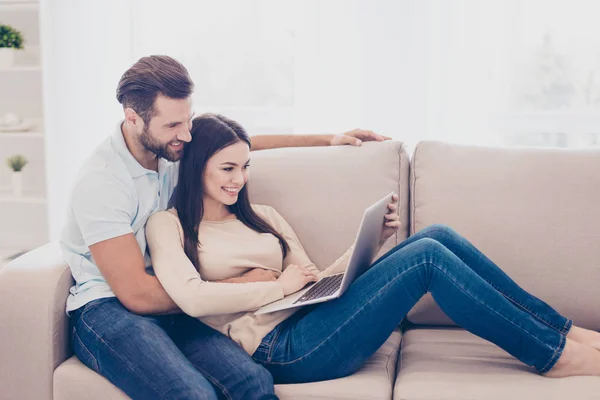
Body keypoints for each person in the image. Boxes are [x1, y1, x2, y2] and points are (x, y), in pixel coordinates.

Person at [146, 113, 600, 387]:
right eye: (227, 167)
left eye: (245, 166)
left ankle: (562, 331)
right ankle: (553, 356)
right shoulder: (167, 225)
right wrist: (274, 288)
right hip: (280, 349)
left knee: (435, 236)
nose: (238, 179)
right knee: (427, 260)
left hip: (312, 319)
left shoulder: (263, 216)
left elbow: (313, 281)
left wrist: (371, 245)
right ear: (194, 167)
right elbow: (192, 298)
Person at [60, 55, 390, 400]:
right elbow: (137, 295)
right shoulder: (103, 182)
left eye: (187, 121)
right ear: (133, 118)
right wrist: (238, 285)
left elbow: (231, 145)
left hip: (173, 296)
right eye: (174, 126)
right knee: (191, 394)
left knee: (253, 384)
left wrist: (329, 139)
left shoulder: (169, 149)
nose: (185, 135)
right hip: (108, 308)